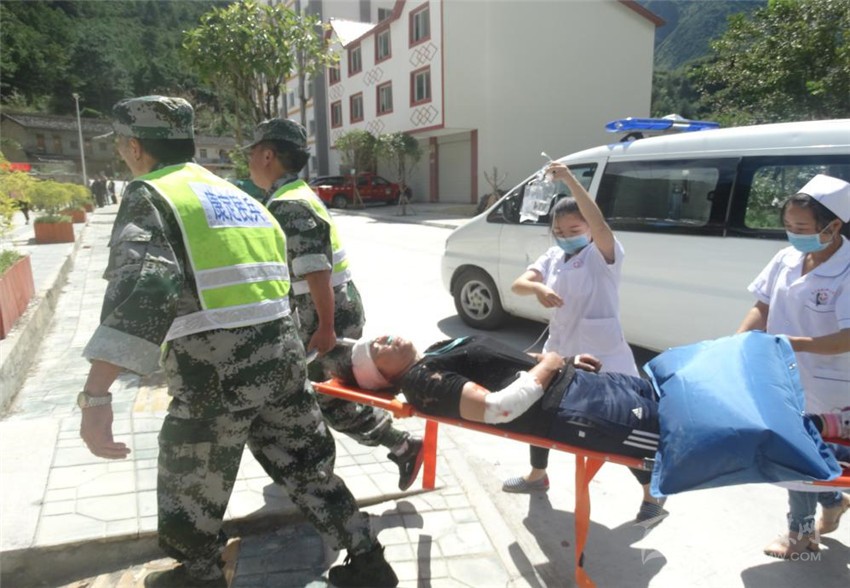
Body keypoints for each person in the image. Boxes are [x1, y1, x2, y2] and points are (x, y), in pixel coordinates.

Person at [78, 96, 398, 588]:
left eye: (122, 145)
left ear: (135, 147)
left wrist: (97, 395)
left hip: (215, 370)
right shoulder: (241, 199)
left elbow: (145, 291)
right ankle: (368, 559)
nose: (123, 154)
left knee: (191, 477)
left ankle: (201, 575)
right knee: (308, 467)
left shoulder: (154, 194)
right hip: (282, 357)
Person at [332, 334, 849, 479]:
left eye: (377, 337)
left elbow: (503, 365)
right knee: (711, 429)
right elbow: (500, 408)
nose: (383, 338)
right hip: (582, 410)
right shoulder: (422, 381)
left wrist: (559, 361)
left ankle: (817, 429)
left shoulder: (431, 355)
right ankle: (825, 451)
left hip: (583, 387)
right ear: (383, 376)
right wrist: (550, 365)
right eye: (376, 350)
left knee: (704, 399)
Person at [246, 118, 425, 492]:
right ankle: (377, 449)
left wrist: (325, 328)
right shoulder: (294, 194)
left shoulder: (290, 205)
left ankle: (401, 446)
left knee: (329, 396)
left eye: (251, 154)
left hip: (325, 315)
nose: (248, 162)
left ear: (267, 155)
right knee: (323, 392)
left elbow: (316, 273)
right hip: (328, 309)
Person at [501, 163, 664, 521]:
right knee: (537, 408)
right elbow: (518, 284)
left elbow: (601, 223)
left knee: (621, 423)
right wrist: (537, 288)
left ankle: (652, 493)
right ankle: (538, 475)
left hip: (605, 356)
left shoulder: (603, 256)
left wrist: (570, 180)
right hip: (560, 350)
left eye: (575, 229)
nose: (565, 236)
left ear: (589, 230)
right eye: (559, 231)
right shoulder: (553, 257)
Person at [737, 173, 850, 560]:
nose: (793, 234)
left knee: (801, 452)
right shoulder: (785, 259)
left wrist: (793, 344)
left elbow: (847, 336)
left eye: (801, 228)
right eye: (788, 225)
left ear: (833, 226)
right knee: (798, 450)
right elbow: (763, 305)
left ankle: (800, 533)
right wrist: (739, 341)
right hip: (782, 373)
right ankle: (832, 501)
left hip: (829, 380)